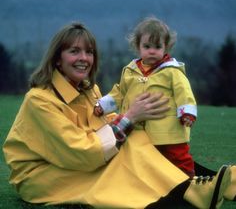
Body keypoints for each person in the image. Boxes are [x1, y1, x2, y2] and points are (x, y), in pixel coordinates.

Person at [2, 21, 233, 209]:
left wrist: (139, 120)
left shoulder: (88, 89)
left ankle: (218, 182)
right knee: (120, 162)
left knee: (138, 138)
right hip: (41, 175)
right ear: (57, 59)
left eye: (89, 52)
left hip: (78, 158)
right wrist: (130, 116)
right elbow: (81, 151)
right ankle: (189, 191)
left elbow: (104, 127)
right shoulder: (39, 100)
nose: (84, 58)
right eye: (74, 51)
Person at [94, 16, 197, 178]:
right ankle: (158, 185)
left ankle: (189, 181)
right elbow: (120, 92)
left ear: (166, 47)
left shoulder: (172, 71)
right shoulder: (130, 70)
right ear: (138, 47)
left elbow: (184, 92)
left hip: (169, 129)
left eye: (157, 46)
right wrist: (103, 105)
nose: (152, 51)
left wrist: (187, 112)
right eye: (147, 46)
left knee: (178, 157)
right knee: (150, 161)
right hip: (139, 131)